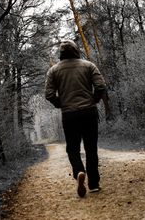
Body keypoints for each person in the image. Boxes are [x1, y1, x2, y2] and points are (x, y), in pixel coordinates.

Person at [45, 39, 110, 198]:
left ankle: (79, 171)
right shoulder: (88, 65)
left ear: (61, 54)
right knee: (91, 148)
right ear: (76, 51)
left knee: (72, 148)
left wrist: (60, 103)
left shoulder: (54, 70)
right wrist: (94, 100)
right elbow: (101, 86)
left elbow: (49, 94)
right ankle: (94, 184)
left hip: (69, 115)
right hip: (89, 112)